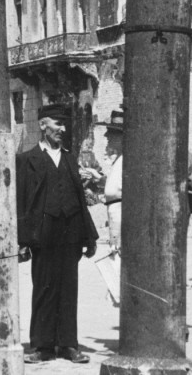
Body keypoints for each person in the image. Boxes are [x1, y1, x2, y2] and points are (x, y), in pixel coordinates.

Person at [16, 103, 97, 364]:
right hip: (42, 235)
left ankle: (68, 345)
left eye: (65, 124)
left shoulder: (70, 158)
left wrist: (88, 236)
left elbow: (80, 200)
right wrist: (22, 240)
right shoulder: (27, 159)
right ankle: (41, 346)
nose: (62, 129)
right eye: (57, 123)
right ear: (42, 125)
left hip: (70, 234)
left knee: (68, 289)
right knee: (43, 288)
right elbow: (21, 201)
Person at [100, 110, 124, 252]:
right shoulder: (119, 159)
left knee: (118, 257)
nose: (106, 135)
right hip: (114, 215)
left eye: (111, 132)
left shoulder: (128, 160)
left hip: (122, 217)